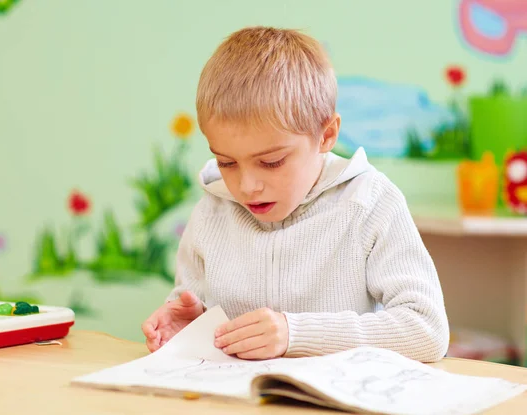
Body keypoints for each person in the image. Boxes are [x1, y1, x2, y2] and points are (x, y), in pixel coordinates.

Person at [141, 26, 449, 363]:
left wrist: (296, 334)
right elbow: (193, 313)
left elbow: (427, 330)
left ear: (326, 135)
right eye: (226, 162)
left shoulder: (370, 202)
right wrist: (188, 326)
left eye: (271, 162)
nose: (247, 186)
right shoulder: (212, 211)